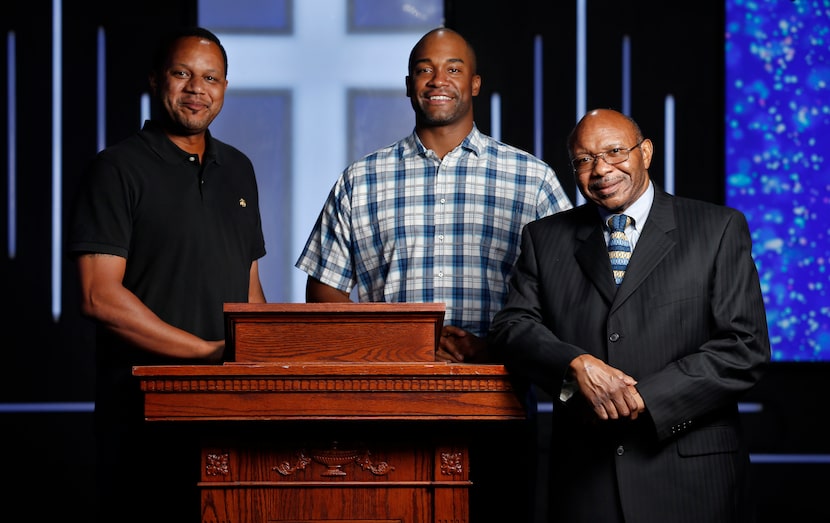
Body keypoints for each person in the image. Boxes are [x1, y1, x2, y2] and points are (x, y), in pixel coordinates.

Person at [295, 27, 572, 523]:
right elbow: (324, 287)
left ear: (476, 84)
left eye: (453, 68)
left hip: (499, 401)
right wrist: (395, 346)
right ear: (408, 84)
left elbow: (568, 294)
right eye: (424, 68)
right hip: (388, 407)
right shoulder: (361, 180)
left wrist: (503, 348)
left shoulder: (532, 180)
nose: (437, 79)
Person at [488, 108, 771, 523]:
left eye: (615, 151)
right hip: (585, 481)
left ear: (646, 153)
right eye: (584, 160)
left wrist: (644, 397)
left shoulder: (717, 228)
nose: (601, 169)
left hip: (690, 477)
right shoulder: (544, 238)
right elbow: (511, 328)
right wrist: (573, 365)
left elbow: (743, 347)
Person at [67, 27, 267, 522]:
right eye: (183, 74)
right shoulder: (115, 169)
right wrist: (205, 354)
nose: (197, 88)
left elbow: (250, 289)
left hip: (227, 411)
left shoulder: (239, 170)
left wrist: (261, 362)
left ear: (224, 88)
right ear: (157, 80)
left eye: (211, 78)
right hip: (142, 415)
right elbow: (97, 295)